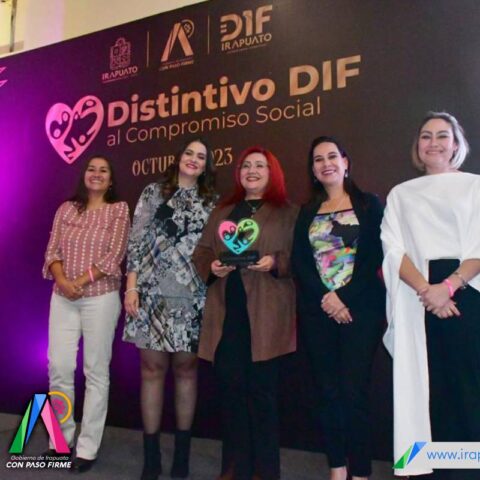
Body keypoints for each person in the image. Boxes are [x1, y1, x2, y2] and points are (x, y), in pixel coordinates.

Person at [381, 112, 480, 480]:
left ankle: (469, 472)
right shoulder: (401, 194)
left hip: (467, 296)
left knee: (467, 390)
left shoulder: (475, 186)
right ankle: (436, 472)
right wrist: (427, 290)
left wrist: (448, 287)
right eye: (426, 136)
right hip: (418, 301)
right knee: (427, 392)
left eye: (442, 135)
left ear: (456, 144)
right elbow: (393, 249)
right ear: (417, 145)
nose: (433, 142)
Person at [192, 146, 298, 480]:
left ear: (272, 172)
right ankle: (235, 469)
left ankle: (265, 472)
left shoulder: (289, 212)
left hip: (267, 316)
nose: (252, 171)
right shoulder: (223, 211)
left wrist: (276, 262)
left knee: (263, 399)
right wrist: (212, 266)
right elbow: (202, 252)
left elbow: (302, 257)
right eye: (246, 166)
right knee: (232, 397)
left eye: (260, 166)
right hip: (227, 316)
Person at [123, 137, 216, 480]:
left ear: (206, 166)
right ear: (178, 158)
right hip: (150, 293)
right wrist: (131, 286)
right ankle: (151, 458)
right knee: (151, 370)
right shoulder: (153, 192)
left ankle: (182, 457)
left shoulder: (211, 201)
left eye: (201, 157)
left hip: (192, 296)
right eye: (189, 153)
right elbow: (136, 241)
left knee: (186, 370)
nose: (193, 159)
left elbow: (214, 248)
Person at [292, 136, 385, 480]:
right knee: (327, 392)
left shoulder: (368, 204)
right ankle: (337, 466)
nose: (326, 164)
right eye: (318, 159)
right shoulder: (307, 211)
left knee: (354, 391)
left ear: (346, 162)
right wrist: (327, 299)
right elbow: (301, 263)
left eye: (332, 156)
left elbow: (374, 256)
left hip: (361, 310)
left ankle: (360, 471)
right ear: (313, 170)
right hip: (319, 312)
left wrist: (344, 297)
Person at [43, 154, 130, 473]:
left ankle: (87, 448)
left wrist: (77, 282)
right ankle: (59, 441)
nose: (96, 174)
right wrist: (63, 282)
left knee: (95, 372)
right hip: (63, 298)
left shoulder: (118, 210)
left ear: (111, 179)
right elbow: (52, 251)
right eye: (91, 169)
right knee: (59, 367)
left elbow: (114, 257)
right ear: (84, 175)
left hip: (100, 299)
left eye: (103, 170)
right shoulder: (66, 209)